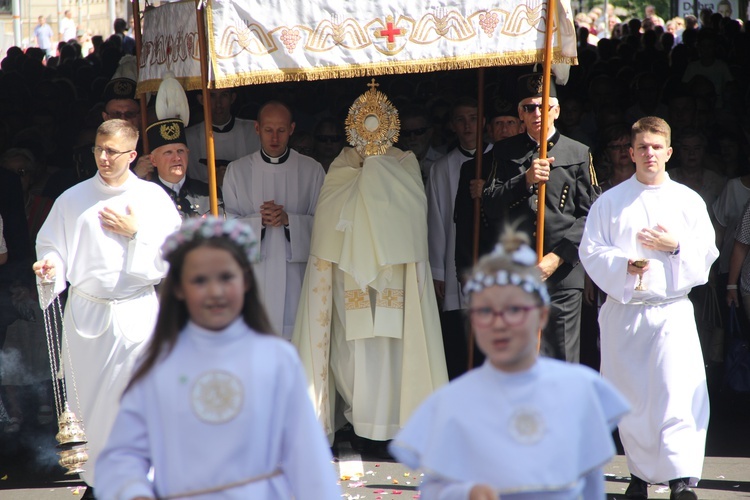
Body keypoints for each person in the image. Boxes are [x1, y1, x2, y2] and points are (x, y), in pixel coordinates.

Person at [96, 217, 341, 499]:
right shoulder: (159, 364)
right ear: (178, 288)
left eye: (226, 277)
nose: (214, 291)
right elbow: (122, 456)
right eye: (199, 280)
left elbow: (308, 457)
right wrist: (134, 490)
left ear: (246, 280)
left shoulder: (276, 359)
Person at [389, 228, 629, 498]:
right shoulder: (450, 402)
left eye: (514, 309)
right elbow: (435, 488)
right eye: (486, 311)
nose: (499, 324)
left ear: (540, 315)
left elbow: (591, 483)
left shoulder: (581, 389)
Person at [292, 82, 448, 456]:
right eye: (364, 132)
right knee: (350, 360)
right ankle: (358, 422)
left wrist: (377, 167)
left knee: (395, 357)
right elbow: (330, 219)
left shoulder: (404, 165)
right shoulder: (342, 167)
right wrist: (366, 171)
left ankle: (399, 426)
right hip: (350, 281)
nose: (370, 140)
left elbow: (411, 216)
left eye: (377, 133)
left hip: (394, 282)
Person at [33, 119, 182, 496]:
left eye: (112, 152)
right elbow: (51, 244)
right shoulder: (71, 199)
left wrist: (137, 234)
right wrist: (50, 265)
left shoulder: (152, 198)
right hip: (88, 316)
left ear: (132, 155)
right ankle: (99, 480)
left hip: (137, 312)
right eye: (98, 149)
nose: (102, 158)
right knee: (93, 404)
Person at [579, 117, 718, 500]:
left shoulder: (688, 201)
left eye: (656, 147)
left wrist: (676, 247)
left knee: (676, 391)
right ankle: (639, 475)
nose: (649, 153)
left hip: (670, 311)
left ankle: (680, 478)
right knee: (632, 397)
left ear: (668, 152)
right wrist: (624, 265)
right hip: (625, 312)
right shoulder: (610, 202)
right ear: (631, 152)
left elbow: (707, 252)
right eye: (642, 147)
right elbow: (591, 250)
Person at [480, 73, 599, 363]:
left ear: (556, 110)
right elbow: (489, 206)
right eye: (529, 107)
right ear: (520, 113)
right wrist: (525, 179)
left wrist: (557, 258)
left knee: (561, 355)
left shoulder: (578, 152)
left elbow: (592, 215)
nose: (536, 113)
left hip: (562, 271)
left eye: (543, 106)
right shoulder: (504, 151)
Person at [223, 101, 324, 340]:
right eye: (269, 130)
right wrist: (258, 223)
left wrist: (290, 222)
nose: (275, 137)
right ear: (257, 129)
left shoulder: (312, 170)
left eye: (281, 130)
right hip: (253, 279)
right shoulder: (237, 171)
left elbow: (324, 225)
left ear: (292, 129)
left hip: (297, 280)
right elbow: (227, 226)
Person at [427, 97, 488, 379]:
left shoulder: (497, 159)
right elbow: (436, 221)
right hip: (454, 263)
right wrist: (439, 271)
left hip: (490, 259)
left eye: (474, 118)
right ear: (452, 125)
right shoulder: (441, 168)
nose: (468, 126)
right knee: (460, 340)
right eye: (461, 120)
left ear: (483, 122)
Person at [146, 118, 220, 218]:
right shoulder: (144, 195)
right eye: (168, 152)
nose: (177, 158)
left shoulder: (209, 192)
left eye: (180, 151)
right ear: (153, 160)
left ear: (187, 153)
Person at [185, 88, 261, 184]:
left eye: (224, 95)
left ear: (232, 98)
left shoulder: (254, 132)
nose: (218, 104)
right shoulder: (189, 138)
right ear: (201, 100)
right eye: (212, 96)